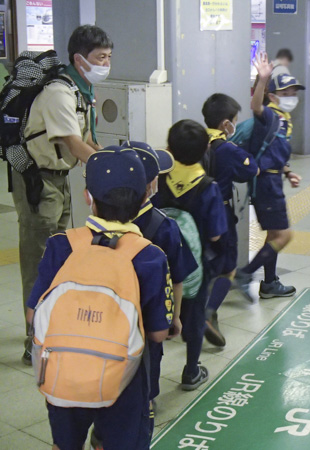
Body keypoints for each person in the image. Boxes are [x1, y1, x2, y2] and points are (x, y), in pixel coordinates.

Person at [26, 147, 173, 450]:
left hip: (63, 374)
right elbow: (159, 332)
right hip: (123, 380)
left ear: (87, 196)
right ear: (145, 196)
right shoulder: (150, 256)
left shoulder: (60, 246)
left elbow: (32, 314)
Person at [17, 25, 112, 365]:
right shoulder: (59, 93)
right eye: (100, 57)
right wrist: (105, 168)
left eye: (109, 57)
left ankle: (49, 323)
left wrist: (109, 157)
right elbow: (72, 143)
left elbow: (88, 140)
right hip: (36, 178)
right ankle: (34, 339)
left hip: (57, 177)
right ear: (78, 59)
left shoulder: (82, 90)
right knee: (40, 257)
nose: (106, 63)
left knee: (60, 253)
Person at [154, 120, 228, 390]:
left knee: (156, 314)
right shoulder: (208, 186)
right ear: (205, 150)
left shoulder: (160, 179)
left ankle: (151, 378)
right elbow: (216, 235)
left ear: (169, 148)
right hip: (194, 268)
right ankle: (191, 371)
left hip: (160, 266)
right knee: (195, 317)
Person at [123, 141, 197, 402]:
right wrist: (174, 318)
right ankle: (143, 412)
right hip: (149, 321)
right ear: (150, 184)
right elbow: (177, 279)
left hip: (110, 319)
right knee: (145, 378)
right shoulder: (165, 227)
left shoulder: (100, 224)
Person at [235, 52, 303, 300]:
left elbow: (274, 151)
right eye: (286, 94)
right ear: (273, 97)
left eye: (293, 93)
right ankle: (246, 274)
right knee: (284, 235)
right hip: (265, 184)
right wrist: (262, 79)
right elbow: (255, 106)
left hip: (273, 179)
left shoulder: (284, 119)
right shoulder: (270, 115)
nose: (291, 98)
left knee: (273, 235)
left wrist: (288, 171)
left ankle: (270, 282)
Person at [202, 94, 259, 345]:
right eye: (235, 121)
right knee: (227, 268)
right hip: (221, 214)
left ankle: (191, 313)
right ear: (227, 124)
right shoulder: (227, 149)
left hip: (194, 213)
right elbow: (251, 170)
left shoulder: (195, 142)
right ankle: (207, 312)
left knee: (202, 265)